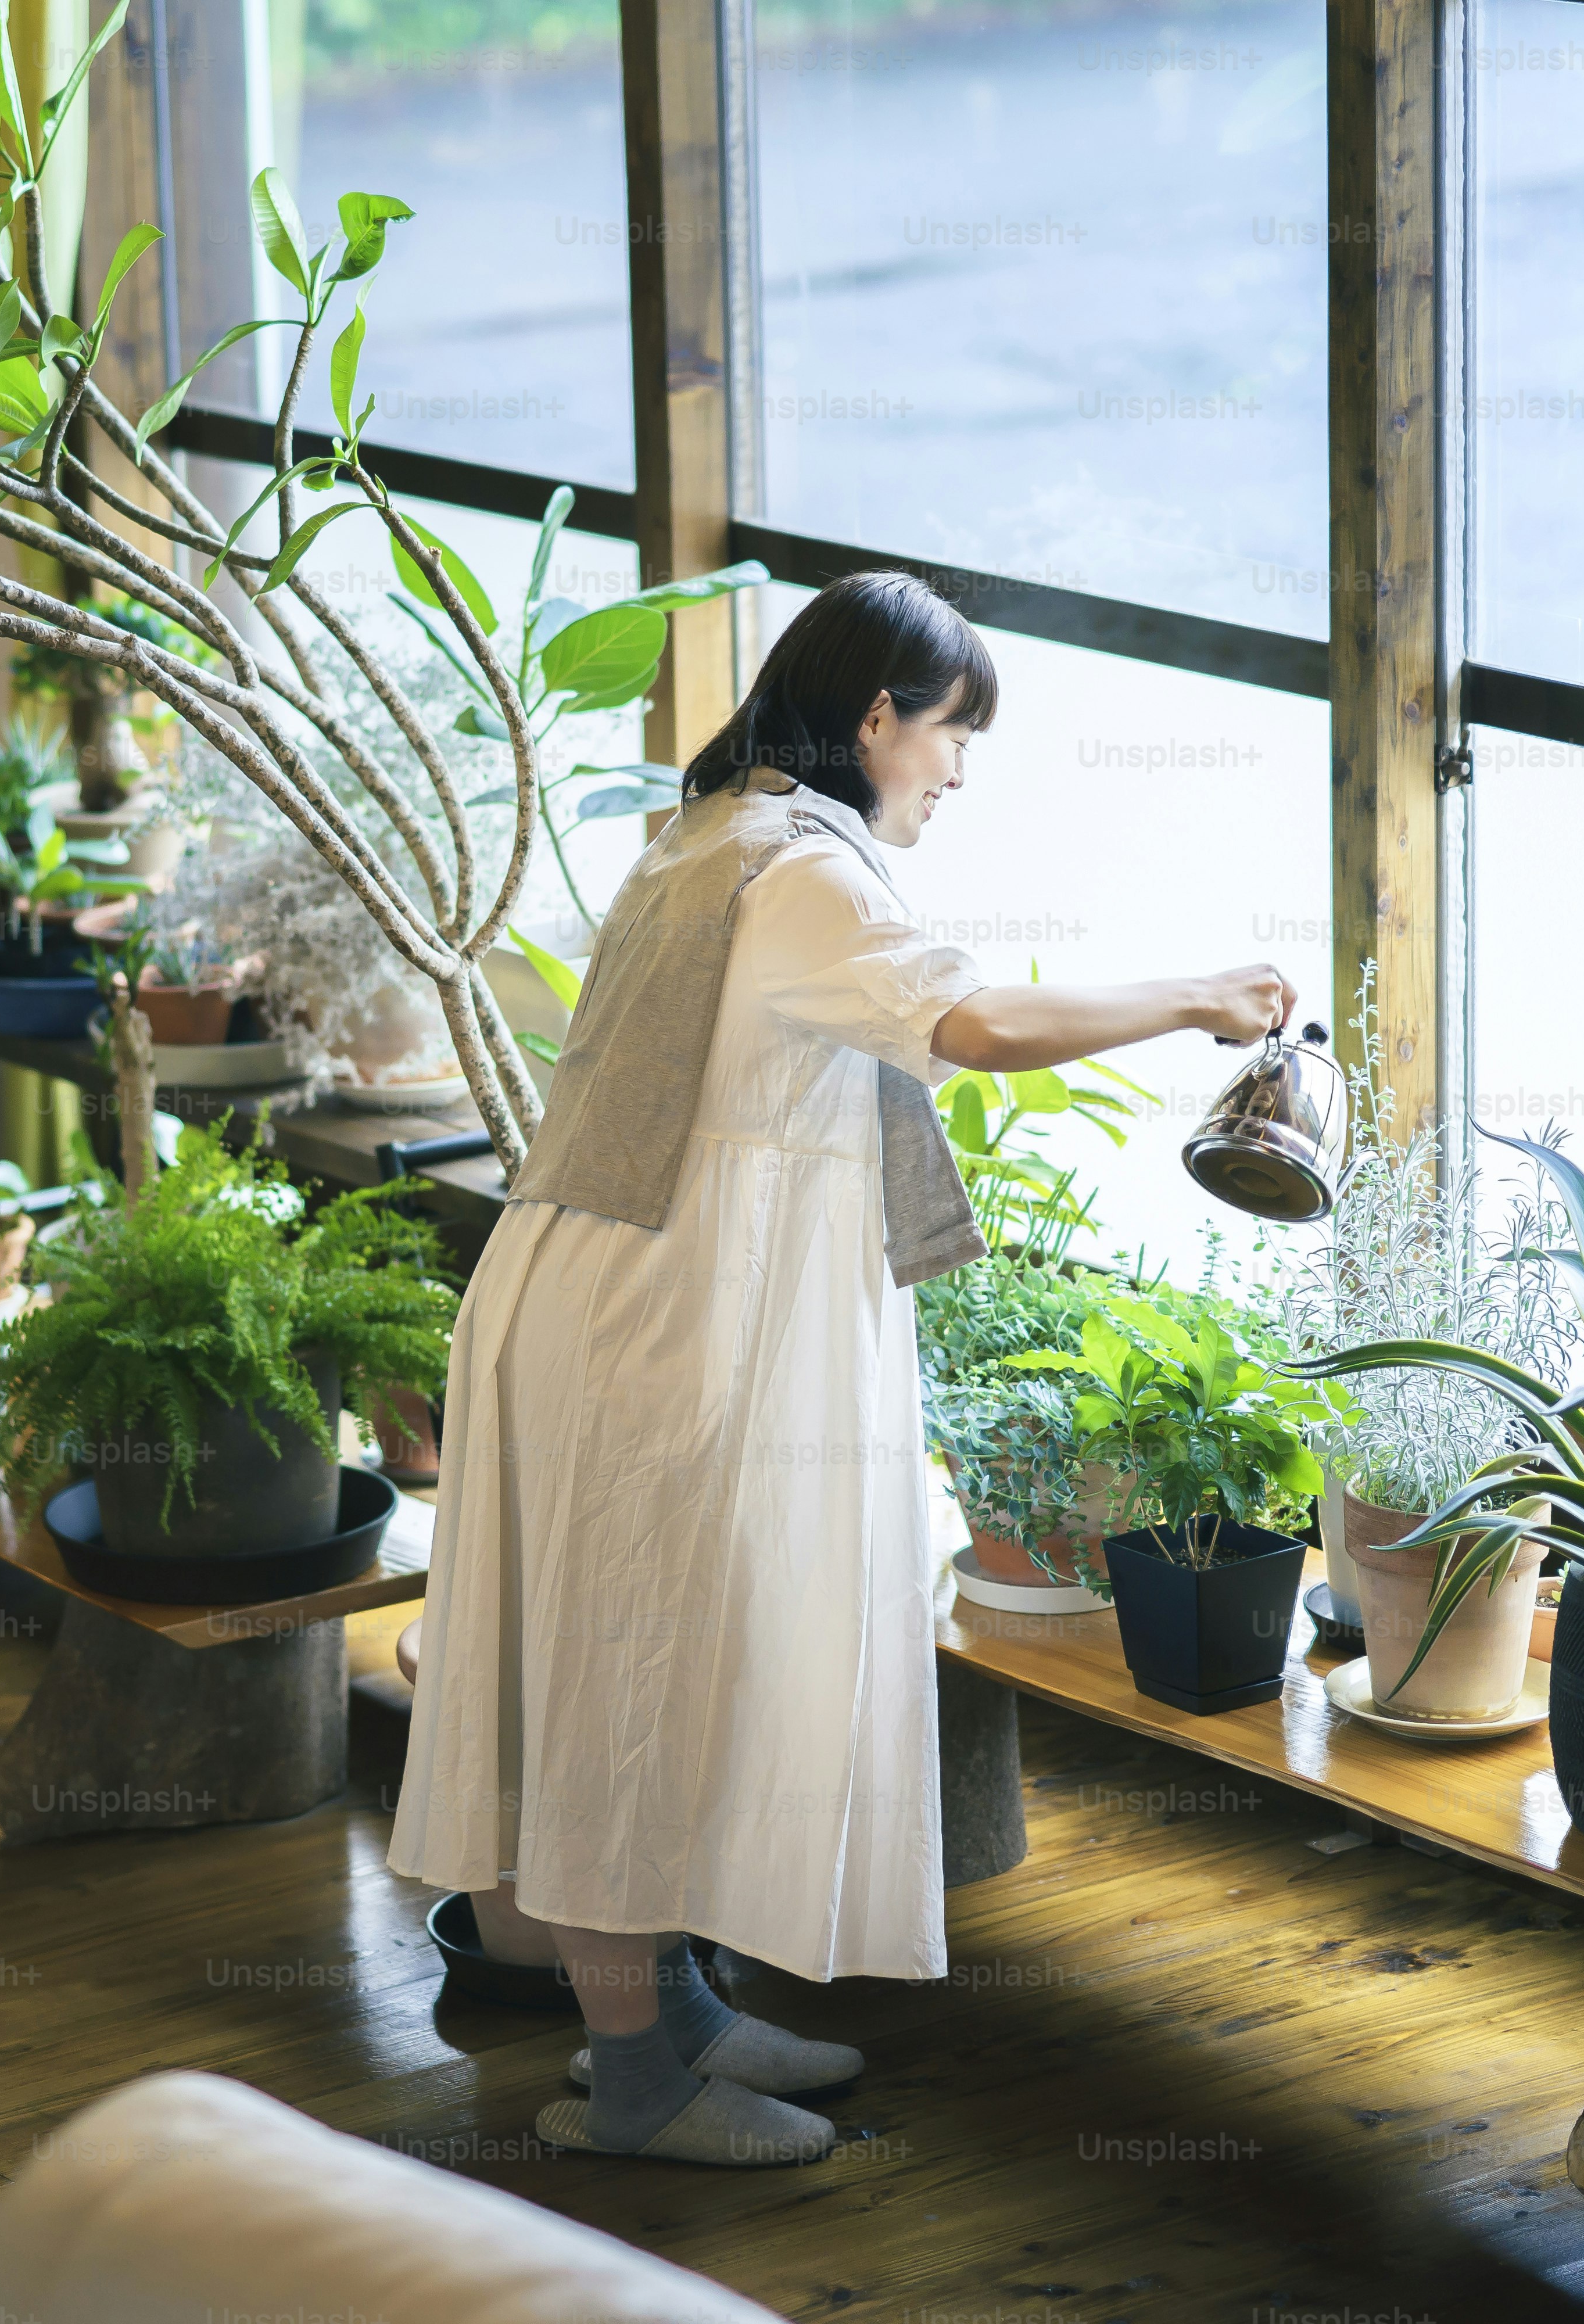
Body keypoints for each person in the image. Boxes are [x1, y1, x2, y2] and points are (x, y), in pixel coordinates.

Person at [388, 571, 1295, 2165]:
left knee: (670, 1653)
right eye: (952, 737)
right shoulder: (797, 872)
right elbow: (977, 1027)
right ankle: (637, 2081)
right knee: (639, 1671)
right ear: (878, 719)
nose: (956, 773)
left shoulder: (720, 833)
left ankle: (665, 2019)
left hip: (626, 1294)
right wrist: (1198, 996)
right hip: (663, 1331)